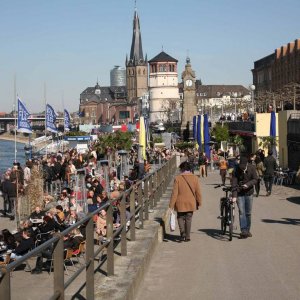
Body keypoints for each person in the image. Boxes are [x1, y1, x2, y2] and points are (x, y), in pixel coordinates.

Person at [169, 161, 202, 242]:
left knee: (180, 217)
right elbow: (198, 191)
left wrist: (171, 205)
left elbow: (174, 193)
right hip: (191, 202)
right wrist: (199, 201)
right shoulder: (195, 178)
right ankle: (187, 236)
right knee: (188, 219)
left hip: (180, 203)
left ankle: (182, 233)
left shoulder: (178, 178)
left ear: (182, 169)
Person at [231, 156, 258, 239]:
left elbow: (255, 179)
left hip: (249, 193)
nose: (242, 169)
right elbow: (234, 184)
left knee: (248, 213)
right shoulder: (236, 170)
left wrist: (248, 185)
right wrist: (234, 196)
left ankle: (247, 230)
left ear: (246, 164)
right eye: (241, 167)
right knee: (242, 212)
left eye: (243, 168)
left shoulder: (252, 168)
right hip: (240, 193)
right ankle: (243, 231)